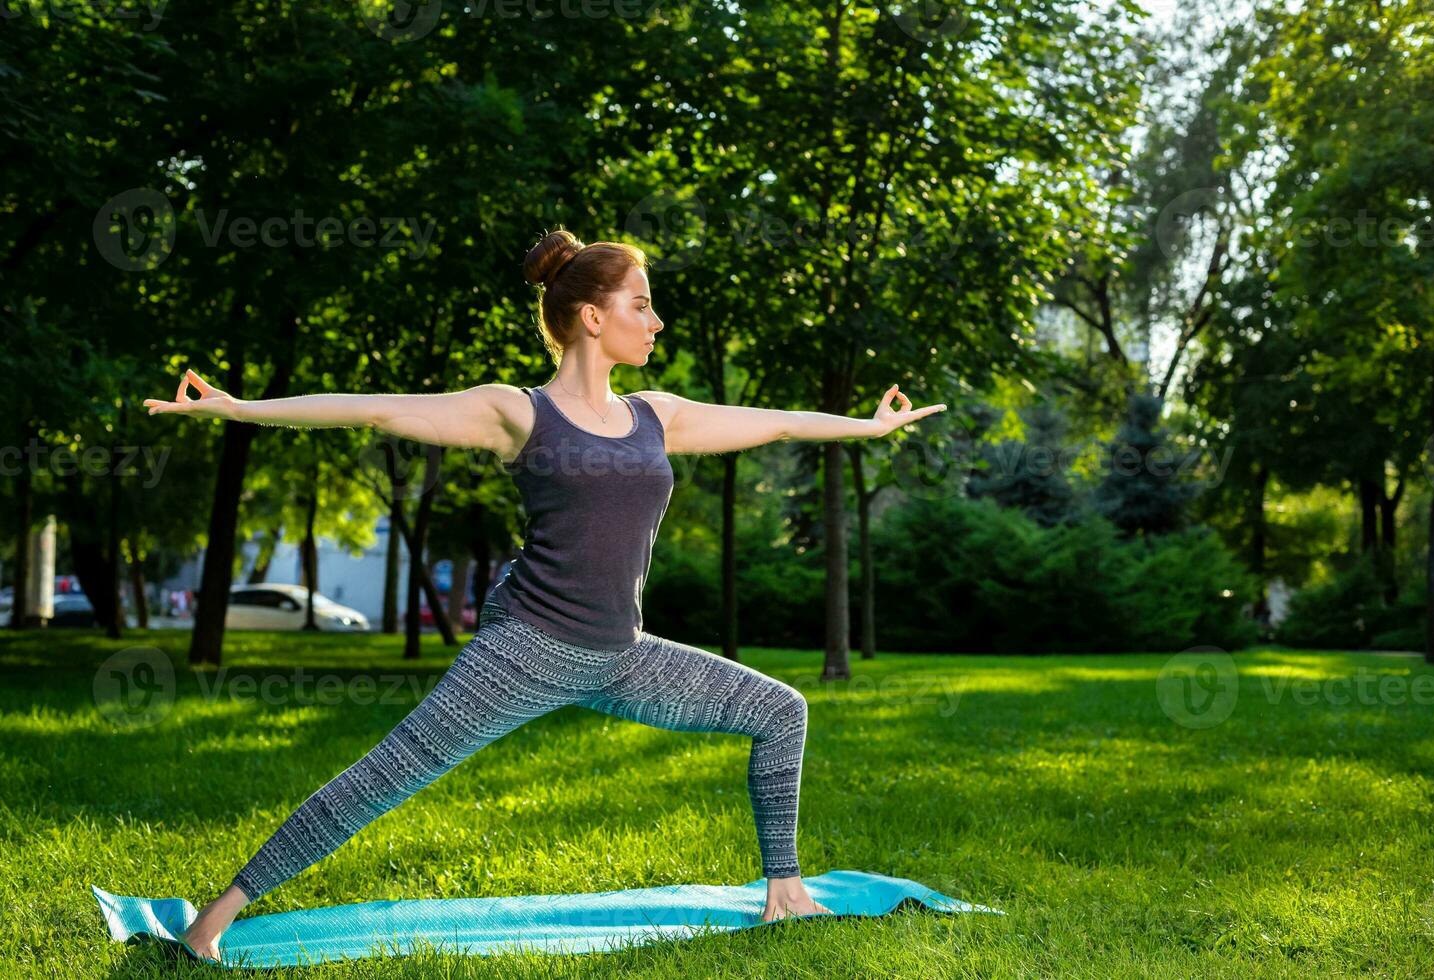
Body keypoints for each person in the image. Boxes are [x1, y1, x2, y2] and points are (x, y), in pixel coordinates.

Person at [143, 228, 948, 962]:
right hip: (526, 648)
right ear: (592, 318)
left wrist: (864, 428)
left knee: (781, 710)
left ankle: (784, 894)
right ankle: (210, 926)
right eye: (642, 304)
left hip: (621, 655)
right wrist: (239, 407)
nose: (656, 321)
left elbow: (771, 424)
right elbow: (378, 408)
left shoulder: (653, 417)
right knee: (383, 778)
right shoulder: (515, 413)